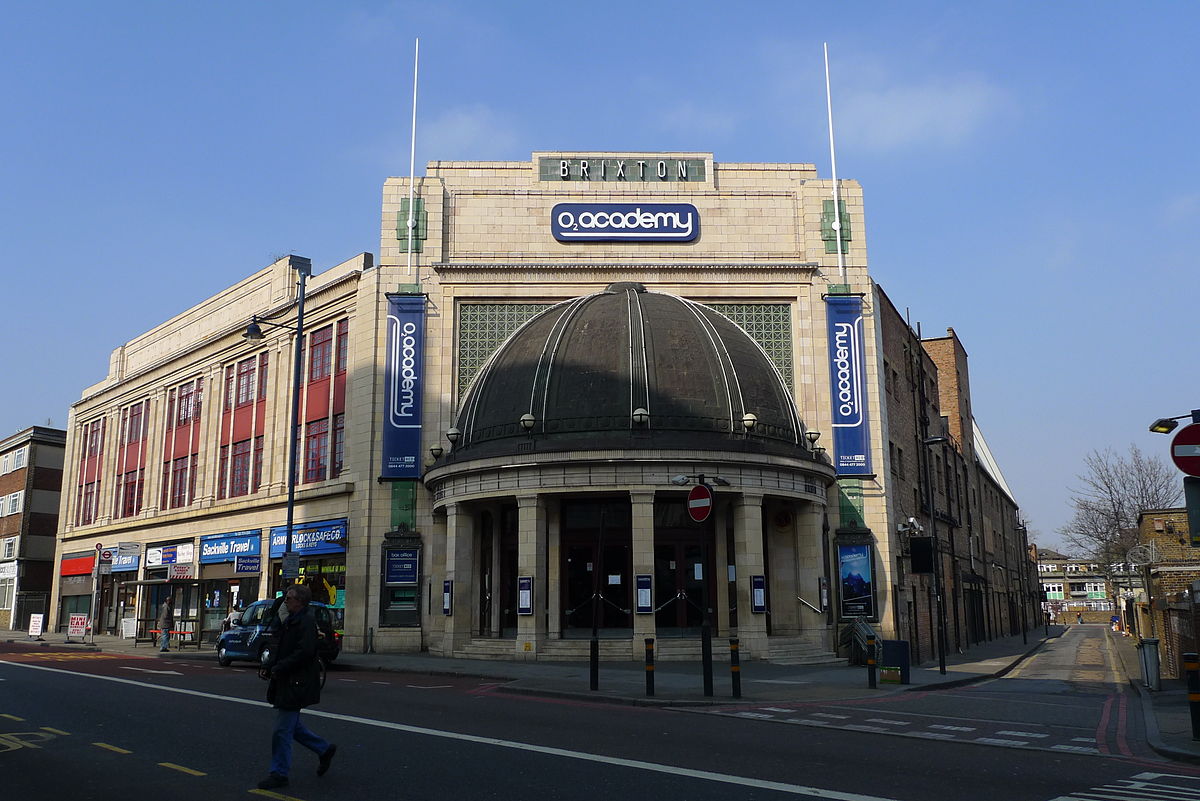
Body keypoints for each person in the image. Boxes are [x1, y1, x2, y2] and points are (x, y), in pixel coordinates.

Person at [257, 584, 337, 790]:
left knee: (282, 731)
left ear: (300, 601)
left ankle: (279, 773)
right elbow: (281, 647)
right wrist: (269, 665)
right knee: (293, 727)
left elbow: (305, 652)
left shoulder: (306, 621)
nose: (286, 600)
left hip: (296, 682)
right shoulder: (290, 620)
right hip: (288, 679)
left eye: (289, 598)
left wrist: (280, 667)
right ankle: (324, 749)